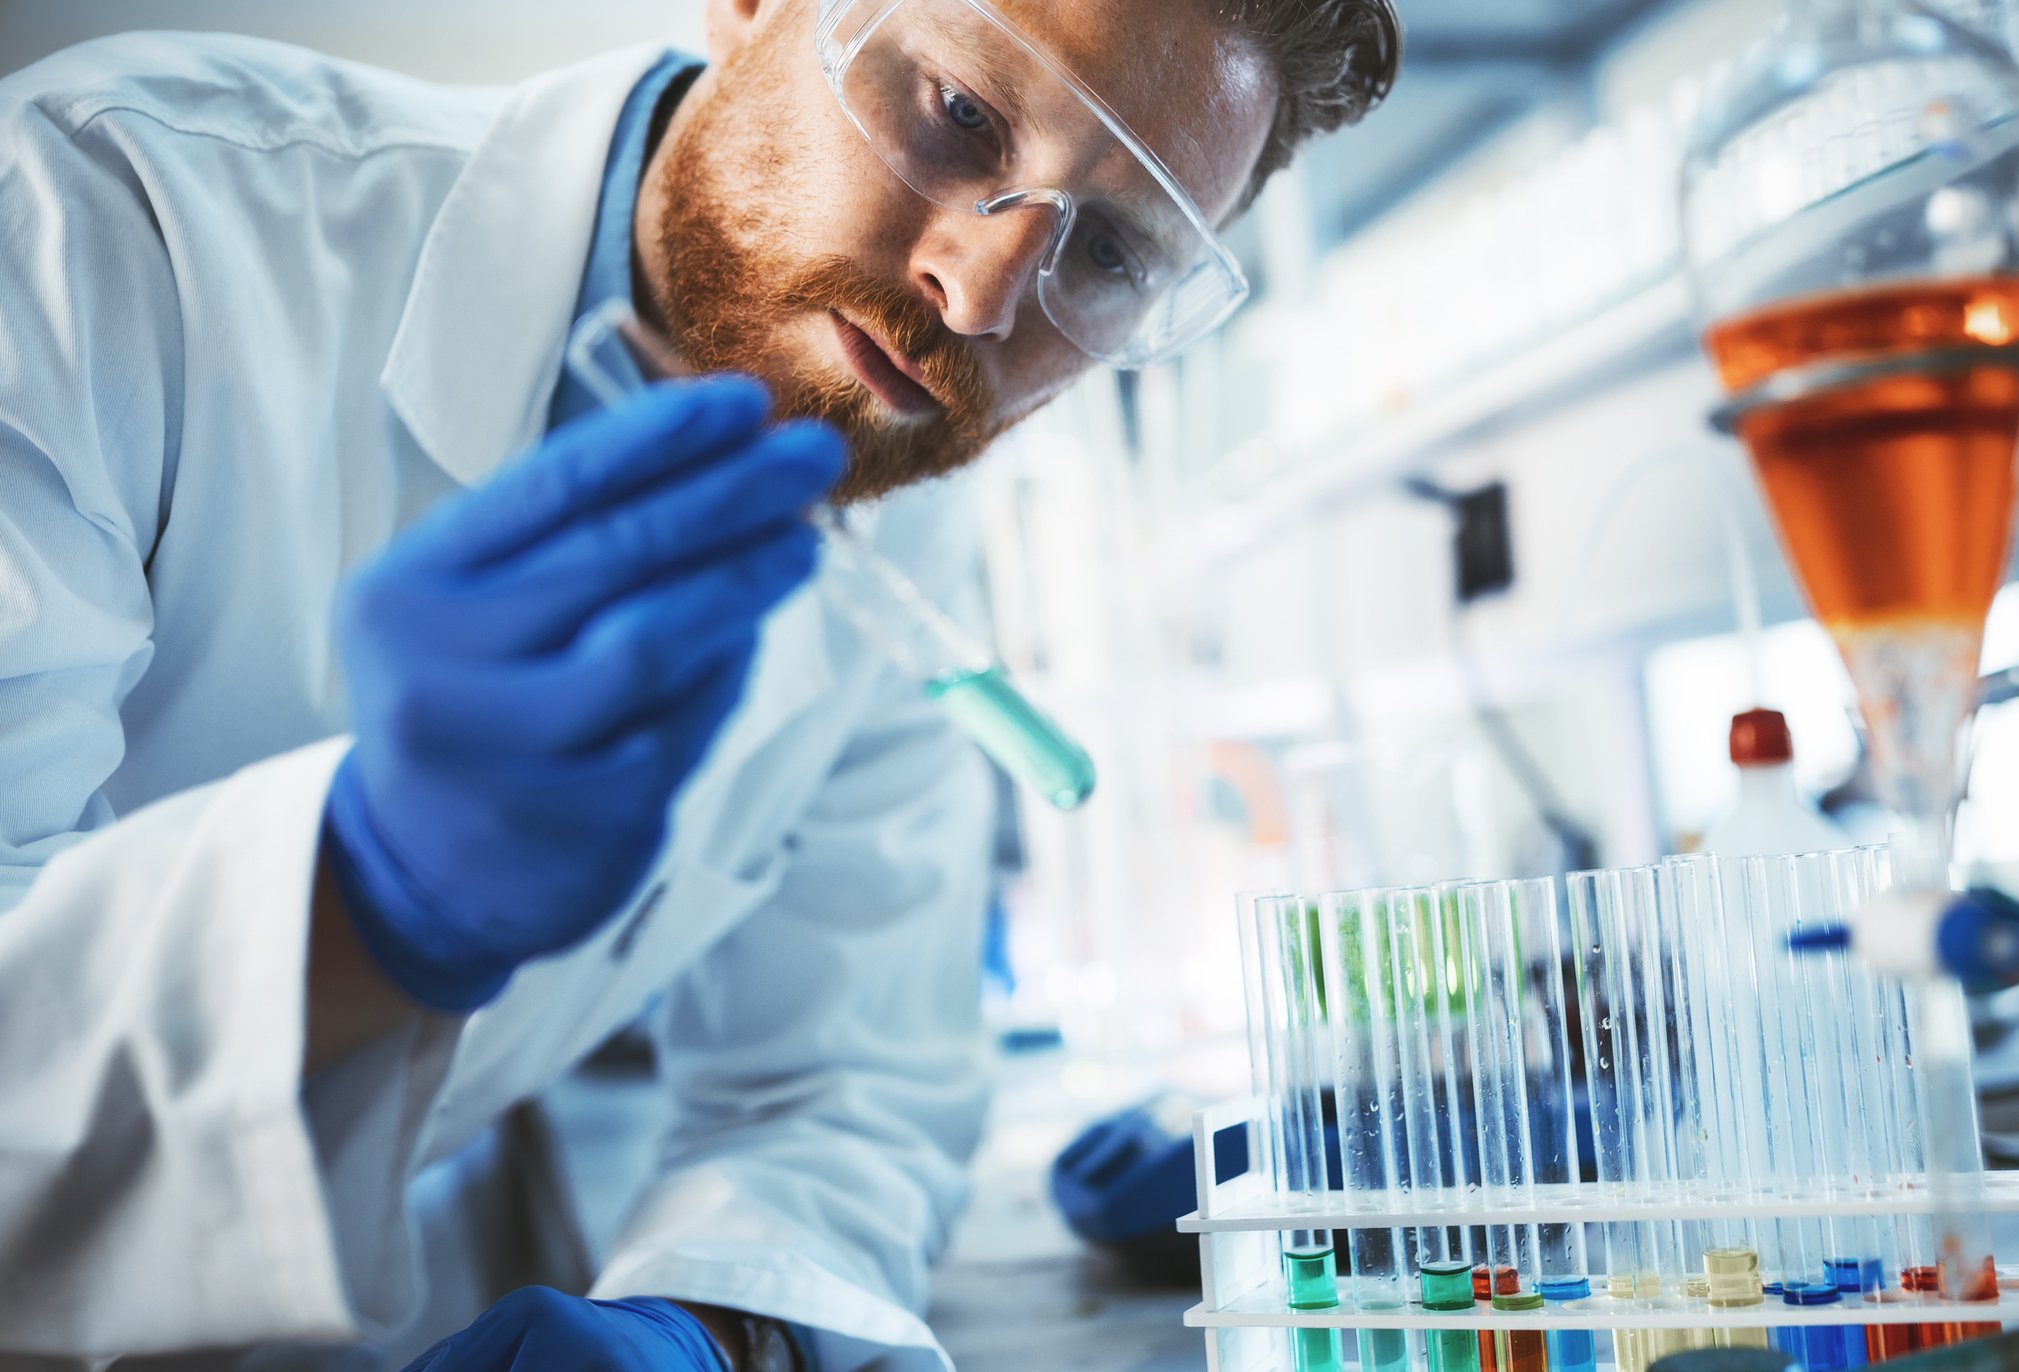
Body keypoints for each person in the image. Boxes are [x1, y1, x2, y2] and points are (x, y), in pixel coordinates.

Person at [0, 0, 1399, 1366]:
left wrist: (713, 1331)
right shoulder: (101, 213)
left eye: (1104, 251)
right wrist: (362, 899)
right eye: (962, 115)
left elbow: (850, 1084)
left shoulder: (900, 489)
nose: (977, 296)